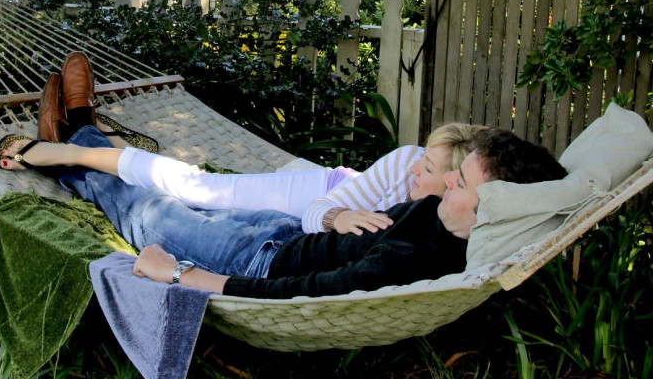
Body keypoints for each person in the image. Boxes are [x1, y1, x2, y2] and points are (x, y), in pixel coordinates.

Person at [0, 52, 568, 299]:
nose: (446, 184)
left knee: (148, 211)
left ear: (493, 207)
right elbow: (333, 228)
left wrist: (179, 278)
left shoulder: (415, 259)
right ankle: (76, 136)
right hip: (284, 227)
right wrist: (337, 215)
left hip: (255, 259)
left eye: (461, 184)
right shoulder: (434, 216)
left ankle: (73, 138)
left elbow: (299, 294)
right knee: (168, 188)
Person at [101, 122, 483, 235]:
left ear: (456, 182)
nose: (416, 167)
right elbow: (317, 213)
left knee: (196, 211)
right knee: (204, 190)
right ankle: (69, 149)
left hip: (331, 205)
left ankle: (111, 142)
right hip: (324, 192)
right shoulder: (406, 163)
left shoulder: (457, 215)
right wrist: (339, 217)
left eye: (429, 169)